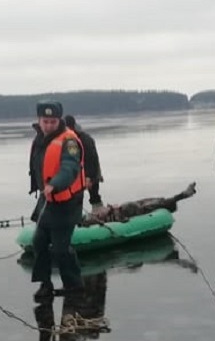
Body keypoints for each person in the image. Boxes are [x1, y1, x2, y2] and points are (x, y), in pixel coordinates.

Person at [28, 100, 86, 301]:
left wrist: (56, 183)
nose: (49, 125)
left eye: (53, 121)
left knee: (61, 248)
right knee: (39, 242)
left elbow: (70, 168)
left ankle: (74, 285)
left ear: (59, 120)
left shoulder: (69, 141)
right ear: (39, 120)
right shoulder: (39, 139)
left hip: (66, 202)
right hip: (47, 200)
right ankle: (45, 284)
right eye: (45, 121)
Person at [80, 181, 197, 225]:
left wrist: (111, 208)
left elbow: (103, 215)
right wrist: (113, 211)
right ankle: (184, 194)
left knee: (157, 200)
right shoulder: (99, 221)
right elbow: (120, 221)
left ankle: (182, 195)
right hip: (130, 211)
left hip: (126, 207)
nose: (96, 214)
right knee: (157, 204)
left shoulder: (91, 217)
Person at [63, 113, 105, 207]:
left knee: (94, 195)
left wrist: (89, 176)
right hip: (79, 173)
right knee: (75, 197)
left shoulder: (84, 139)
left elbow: (91, 158)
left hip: (91, 172)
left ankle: (99, 212)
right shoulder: (70, 139)